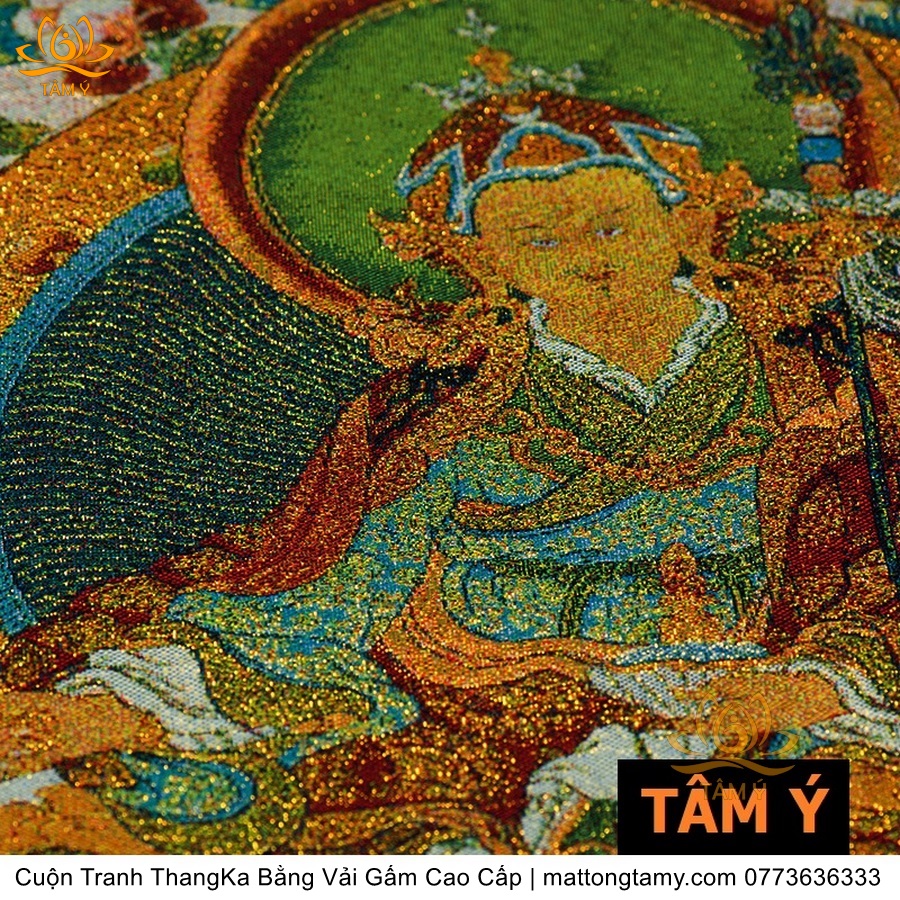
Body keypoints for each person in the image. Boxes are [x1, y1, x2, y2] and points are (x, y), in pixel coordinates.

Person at [1, 89, 898, 853]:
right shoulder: (438, 412)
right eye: (538, 240)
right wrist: (128, 703)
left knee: (821, 826)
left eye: (615, 223)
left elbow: (879, 569)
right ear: (483, 263)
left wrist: (810, 682)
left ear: (688, 220)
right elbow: (325, 598)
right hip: (473, 705)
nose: (588, 257)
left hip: (781, 688)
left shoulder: (824, 378)